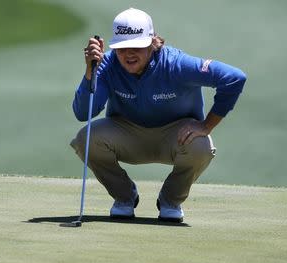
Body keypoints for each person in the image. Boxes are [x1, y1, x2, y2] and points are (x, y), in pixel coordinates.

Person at [70, 8, 246, 222]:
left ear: (152, 42)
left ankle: (170, 200)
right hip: (127, 134)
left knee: (202, 145)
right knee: (85, 139)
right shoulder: (107, 65)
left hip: (176, 136)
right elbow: (82, 113)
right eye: (122, 48)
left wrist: (206, 126)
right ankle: (125, 197)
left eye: (137, 46)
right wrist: (91, 72)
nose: (128, 54)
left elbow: (234, 78)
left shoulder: (175, 64)